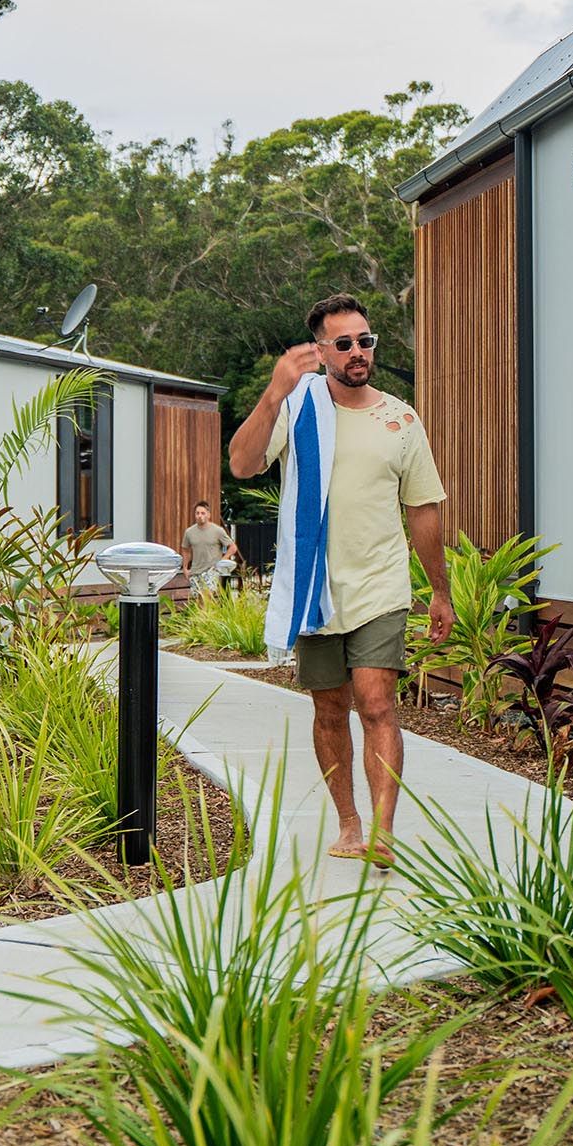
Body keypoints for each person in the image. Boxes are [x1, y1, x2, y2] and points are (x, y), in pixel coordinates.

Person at [227, 292, 450, 863]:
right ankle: (348, 823)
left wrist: (440, 591)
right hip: (315, 588)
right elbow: (242, 464)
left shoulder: (401, 418)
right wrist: (275, 391)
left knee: (376, 702)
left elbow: (423, 507)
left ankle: (382, 831)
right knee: (330, 709)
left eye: (365, 341)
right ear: (321, 350)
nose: (358, 352)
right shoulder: (298, 408)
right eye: (345, 343)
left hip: (381, 586)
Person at [180, 501, 238, 591]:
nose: (200, 515)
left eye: (203, 513)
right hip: (195, 571)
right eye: (197, 513)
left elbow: (233, 547)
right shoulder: (189, 532)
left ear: (208, 515)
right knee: (197, 600)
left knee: (207, 597)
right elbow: (185, 549)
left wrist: (222, 560)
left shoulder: (218, 531)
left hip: (211, 570)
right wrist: (185, 568)